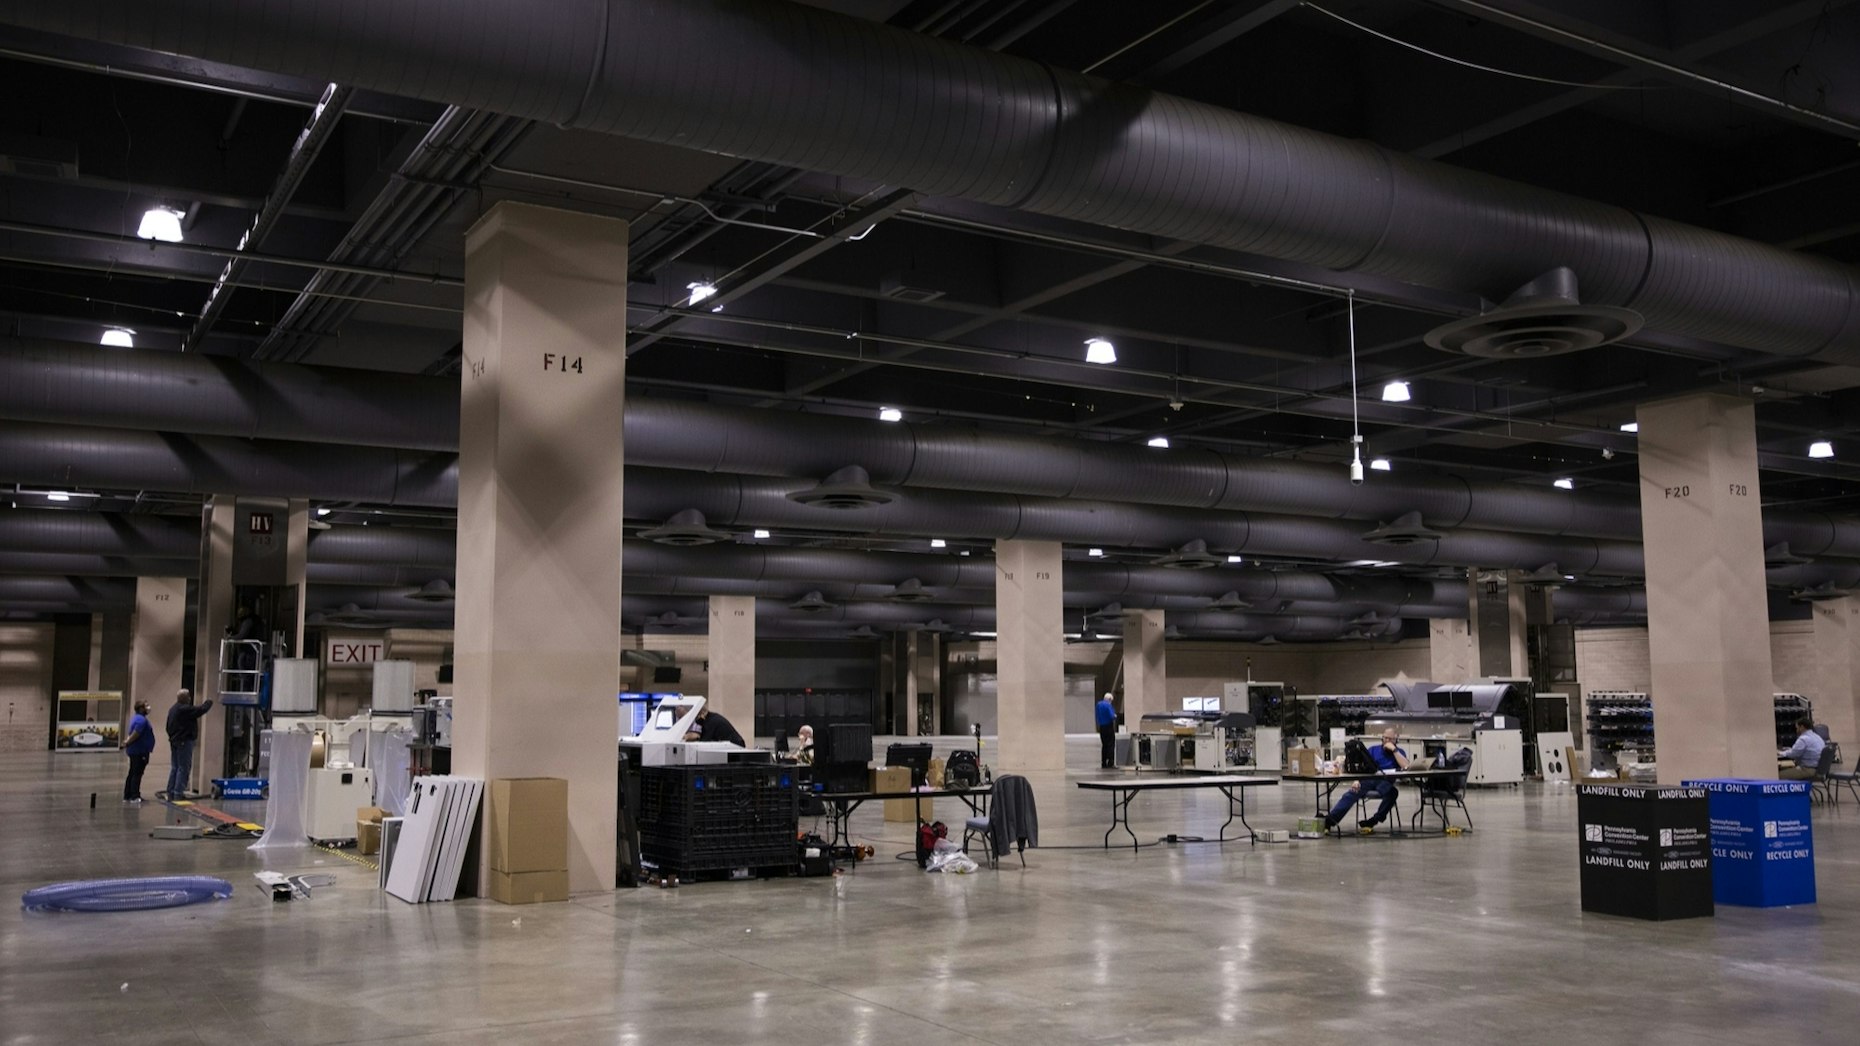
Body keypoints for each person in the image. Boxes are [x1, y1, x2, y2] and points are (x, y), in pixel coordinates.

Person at [1323, 728, 1408, 831]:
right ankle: (1330, 820)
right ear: (1382, 738)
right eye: (1386, 738)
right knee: (1350, 794)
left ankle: (1374, 820)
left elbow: (1406, 766)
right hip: (1368, 779)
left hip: (1385, 781)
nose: (1388, 741)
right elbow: (1361, 768)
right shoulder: (1373, 750)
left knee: (1392, 793)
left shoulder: (1399, 752)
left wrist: (1394, 750)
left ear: (1396, 740)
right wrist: (1356, 780)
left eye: (1391, 739)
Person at [164, 689, 215, 799]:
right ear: (185, 698)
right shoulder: (184, 709)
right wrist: (209, 702)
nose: (190, 698)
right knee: (183, 768)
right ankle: (178, 792)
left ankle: (171, 791)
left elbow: (168, 726)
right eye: (188, 696)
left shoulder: (173, 709)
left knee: (175, 767)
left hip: (174, 741)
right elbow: (200, 710)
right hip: (184, 741)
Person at [120, 700, 154, 804]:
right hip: (139, 751)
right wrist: (127, 742)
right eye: (146, 706)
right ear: (141, 708)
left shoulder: (137, 718)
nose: (148, 707)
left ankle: (128, 795)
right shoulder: (141, 720)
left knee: (132, 772)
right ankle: (134, 796)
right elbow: (136, 733)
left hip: (136, 751)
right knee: (137, 773)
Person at [1095, 692, 1118, 768]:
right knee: (1111, 744)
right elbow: (1112, 716)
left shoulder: (1098, 705)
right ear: (1109, 699)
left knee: (1104, 745)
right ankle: (1110, 762)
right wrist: (1115, 716)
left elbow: (1097, 715)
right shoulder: (1108, 705)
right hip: (1108, 726)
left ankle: (1103, 762)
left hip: (1101, 726)